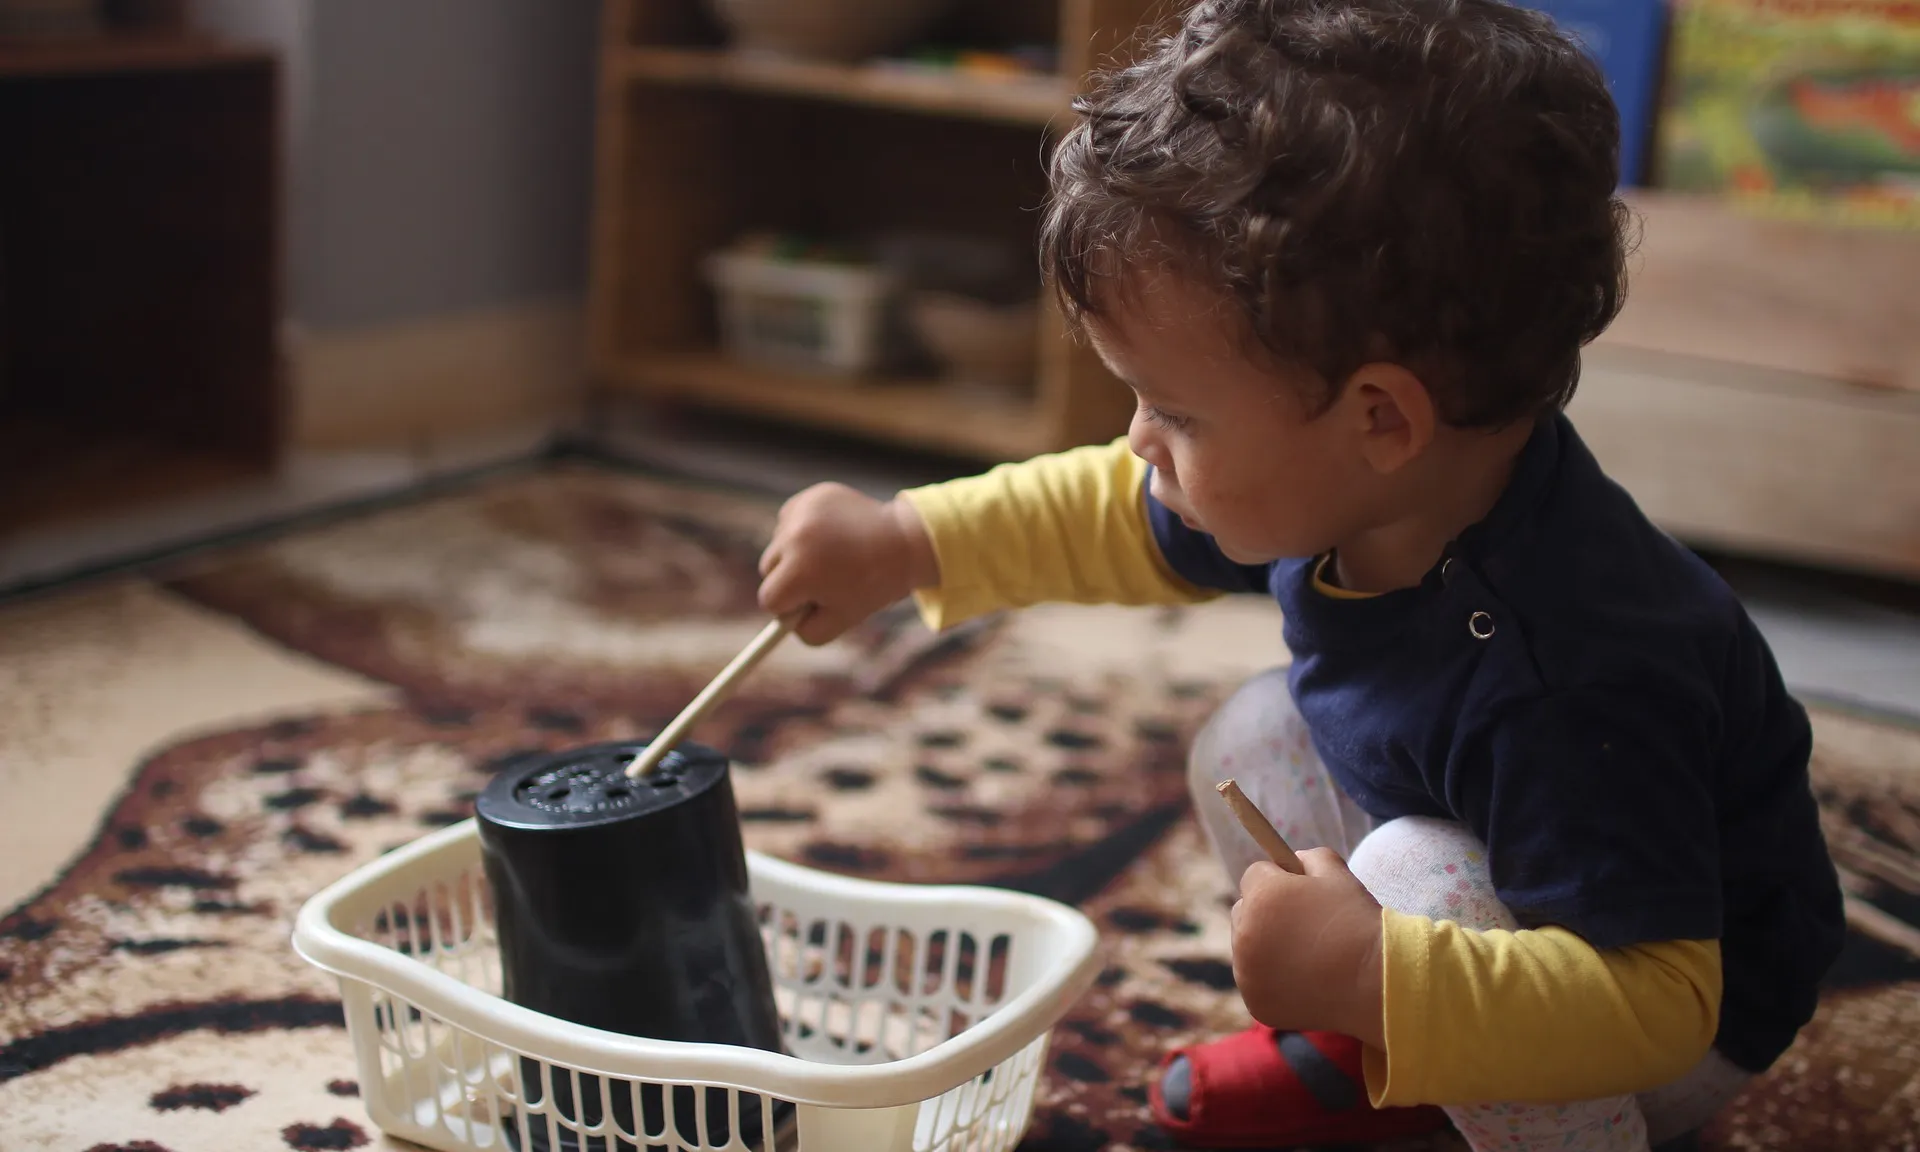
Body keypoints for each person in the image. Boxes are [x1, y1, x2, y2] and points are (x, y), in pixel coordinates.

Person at [754, 1, 1846, 1148]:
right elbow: (1115, 516)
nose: (1138, 441)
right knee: (1253, 736)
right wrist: (905, 539)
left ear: (1379, 417)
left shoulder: (1570, 677)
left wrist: (1375, 971)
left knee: (1414, 873)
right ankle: (1380, 1058)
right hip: (1505, 902)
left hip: (1660, 1028)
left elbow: (1661, 1011)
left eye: (1173, 411)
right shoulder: (1377, 484)